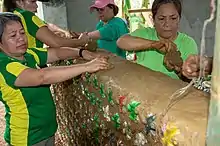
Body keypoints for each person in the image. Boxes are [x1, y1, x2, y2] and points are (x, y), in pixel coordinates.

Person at [0, 12, 109, 146]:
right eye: (13, 36)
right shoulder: (4, 65)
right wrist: (86, 67)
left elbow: (56, 53)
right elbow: (42, 77)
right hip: (26, 138)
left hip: (46, 131)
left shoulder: (28, 54)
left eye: (22, 33)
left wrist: (81, 52)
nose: (21, 39)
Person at [117, 0, 198, 79]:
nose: (167, 24)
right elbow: (121, 42)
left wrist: (178, 69)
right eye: (161, 19)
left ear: (179, 19)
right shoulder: (146, 34)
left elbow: (190, 81)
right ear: (153, 20)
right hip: (144, 89)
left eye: (173, 18)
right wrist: (153, 44)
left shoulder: (188, 43)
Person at [3, 0, 90, 49]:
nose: (37, 7)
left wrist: (64, 32)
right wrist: (80, 41)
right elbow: (55, 42)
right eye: (33, 2)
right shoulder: (26, 15)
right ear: (19, 2)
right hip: (33, 65)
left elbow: (48, 26)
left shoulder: (11, 17)